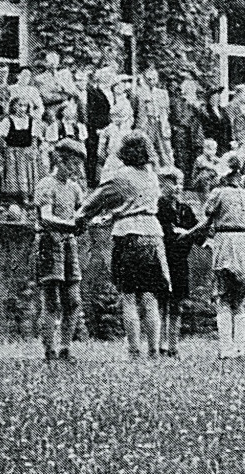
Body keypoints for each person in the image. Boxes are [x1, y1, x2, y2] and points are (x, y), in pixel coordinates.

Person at [74, 132, 170, 359]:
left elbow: (96, 200)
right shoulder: (152, 177)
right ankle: (154, 350)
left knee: (129, 296)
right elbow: (135, 203)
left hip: (128, 234)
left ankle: (134, 349)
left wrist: (81, 218)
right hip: (153, 235)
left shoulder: (121, 176)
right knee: (149, 296)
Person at [183, 154, 245, 358]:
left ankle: (226, 348)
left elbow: (206, 222)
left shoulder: (218, 193)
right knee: (239, 298)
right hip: (244, 241)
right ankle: (240, 347)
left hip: (225, 241)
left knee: (223, 296)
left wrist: (187, 234)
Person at [33, 148, 86, 360]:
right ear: (60, 162)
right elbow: (45, 217)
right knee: (51, 300)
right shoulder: (46, 184)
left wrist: (86, 222)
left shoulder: (75, 188)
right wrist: (72, 226)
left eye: (78, 164)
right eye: (72, 164)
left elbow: (82, 215)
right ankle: (49, 350)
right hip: (49, 243)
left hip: (69, 245)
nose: (76, 169)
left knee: (73, 300)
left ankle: (65, 347)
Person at [156, 166, 198, 358]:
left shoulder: (185, 209)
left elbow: (197, 233)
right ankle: (160, 343)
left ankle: (173, 345)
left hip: (180, 262)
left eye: (179, 183)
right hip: (162, 260)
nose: (177, 188)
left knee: (176, 305)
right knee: (161, 303)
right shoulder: (156, 208)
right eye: (172, 183)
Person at [1, 96, 42, 206]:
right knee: (14, 173)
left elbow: (34, 138)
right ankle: (14, 196)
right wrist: (6, 151)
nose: (22, 109)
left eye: (24, 106)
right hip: (13, 151)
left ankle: (27, 196)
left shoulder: (31, 120)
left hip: (26, 151)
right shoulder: (8, 120)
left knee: (27, 173)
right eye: (19, 105)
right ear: (13, 106)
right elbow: (3, 138)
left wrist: (33, 150)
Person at [171, 77, 206, 189]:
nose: (193, 91)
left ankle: (193, 183)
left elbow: (204, 117)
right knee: (182, 159)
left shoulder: (197, 103)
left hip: (195, 136)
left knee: (195, 158)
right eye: (190, 88)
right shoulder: (178, 101)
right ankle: (183, 184)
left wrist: (196, 107)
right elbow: (180, 118)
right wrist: (192, 109)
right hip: (183, 135)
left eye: (193, 89)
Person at [85, 65, 114, 187]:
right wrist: (98, 127)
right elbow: (92, 111)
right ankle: (92, 179)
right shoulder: (94, 92)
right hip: (97, 128)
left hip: (108, 126)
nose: (109, 78)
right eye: (106, 76)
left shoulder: (110, 91)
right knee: (95, 153)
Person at [45, 99, 88, 169]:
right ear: (62, 111)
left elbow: (82, 146)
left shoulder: (80, 127)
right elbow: (51, 147)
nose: (72, 111)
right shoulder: (55, 126)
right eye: (68, 108)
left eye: (73, 108)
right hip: (61, 161)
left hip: (76, 161)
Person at [225, 85, 245, 153]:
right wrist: (233, 140)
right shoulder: (229, 107)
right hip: (235, 142)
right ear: (238, 94)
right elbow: (231, 124)